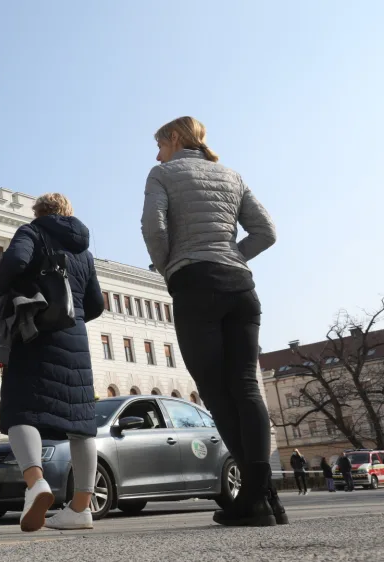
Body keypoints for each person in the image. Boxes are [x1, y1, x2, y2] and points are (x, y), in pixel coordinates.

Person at [141, 117, 279, 528]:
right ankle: (264, 496)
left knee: (218, 396)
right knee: (247, 389)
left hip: (195, 285)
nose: (156, 153)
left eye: (160, 144)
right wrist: (232, 256)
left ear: (175, 139)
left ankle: (258, 497)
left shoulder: (163, 173)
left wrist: (171, 269)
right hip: (241, 286)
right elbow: (266, 232)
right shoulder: (231, 174)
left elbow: (154, 227)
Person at [0, 193, 104, 532]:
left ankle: (36, 483)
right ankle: (81, 507)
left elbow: (14, 264)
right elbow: (96, 304)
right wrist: (72, 313)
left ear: (39, 211)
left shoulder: (32, 232)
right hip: (76, 340)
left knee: (20, 410)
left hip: (34, 332)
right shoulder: (84, 251)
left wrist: (2, 294)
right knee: (81, 423)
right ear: (68, 212)